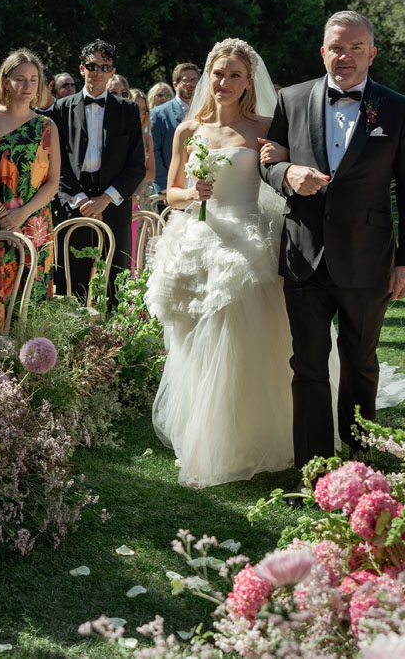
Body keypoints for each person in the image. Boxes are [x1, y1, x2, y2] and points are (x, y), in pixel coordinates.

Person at [261, 10, 405, 468]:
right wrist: (287, 173)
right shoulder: (291, 99)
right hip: (304, 254)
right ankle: (313, 470)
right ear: (323, 51)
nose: (346, 56)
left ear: (372, 53)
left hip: (368, 258)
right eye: (337, 47)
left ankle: (358, 467)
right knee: (309, 366)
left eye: (356, 48)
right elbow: (267, 161)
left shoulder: (398, 108)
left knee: (360, 365)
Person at [146, 39, 297, 486]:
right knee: (194, 344)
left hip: (245, 244)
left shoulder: (266, 127)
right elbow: (169, 190)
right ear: (206, 78)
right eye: (218, 73)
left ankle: (244, 435)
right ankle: (201, 434)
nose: (225, 82)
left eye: (235, 75)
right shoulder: (188, 130)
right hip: (196, 238)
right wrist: (193, 194)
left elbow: (281, 178)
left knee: (239, 341)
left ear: (250, 81)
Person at [49, 39, 145, 308]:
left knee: (117, 285)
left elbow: (136, 164)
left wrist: (105, 200)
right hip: (73, 205)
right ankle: (72, 346)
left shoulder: (127, 110)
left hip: (113, 203)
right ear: (81, 68)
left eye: (105, 67)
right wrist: (81, 200)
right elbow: (55, 163)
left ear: (112, 71)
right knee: (71, 284)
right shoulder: (61, 108)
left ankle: (116, 346)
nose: (97, 72)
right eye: (92, 66)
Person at [0, 49, 61, 324]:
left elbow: (53, 183)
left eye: (34, 79)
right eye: (20, 79)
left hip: (36, 227)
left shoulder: (47, 126)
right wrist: (3, 215)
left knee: (30, 309)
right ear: (5, 80)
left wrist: (22, 214)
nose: (27, 86)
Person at [151, 62, 199, 191]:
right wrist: (164, 187)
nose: (191, 84)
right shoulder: (158, 114)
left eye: (194, 80)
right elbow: (154, 153)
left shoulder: (207, 112)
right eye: (186, 81)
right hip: (172, 188)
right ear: (175, 85)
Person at [128, 87, 157, 268]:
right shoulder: (122, 136)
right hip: (123, 196)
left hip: (141, 197)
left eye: (144, 109)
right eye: (136, 108)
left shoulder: (147, 138)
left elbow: (152, 172)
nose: (141, 113)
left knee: (140, 247)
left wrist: (135, 178)